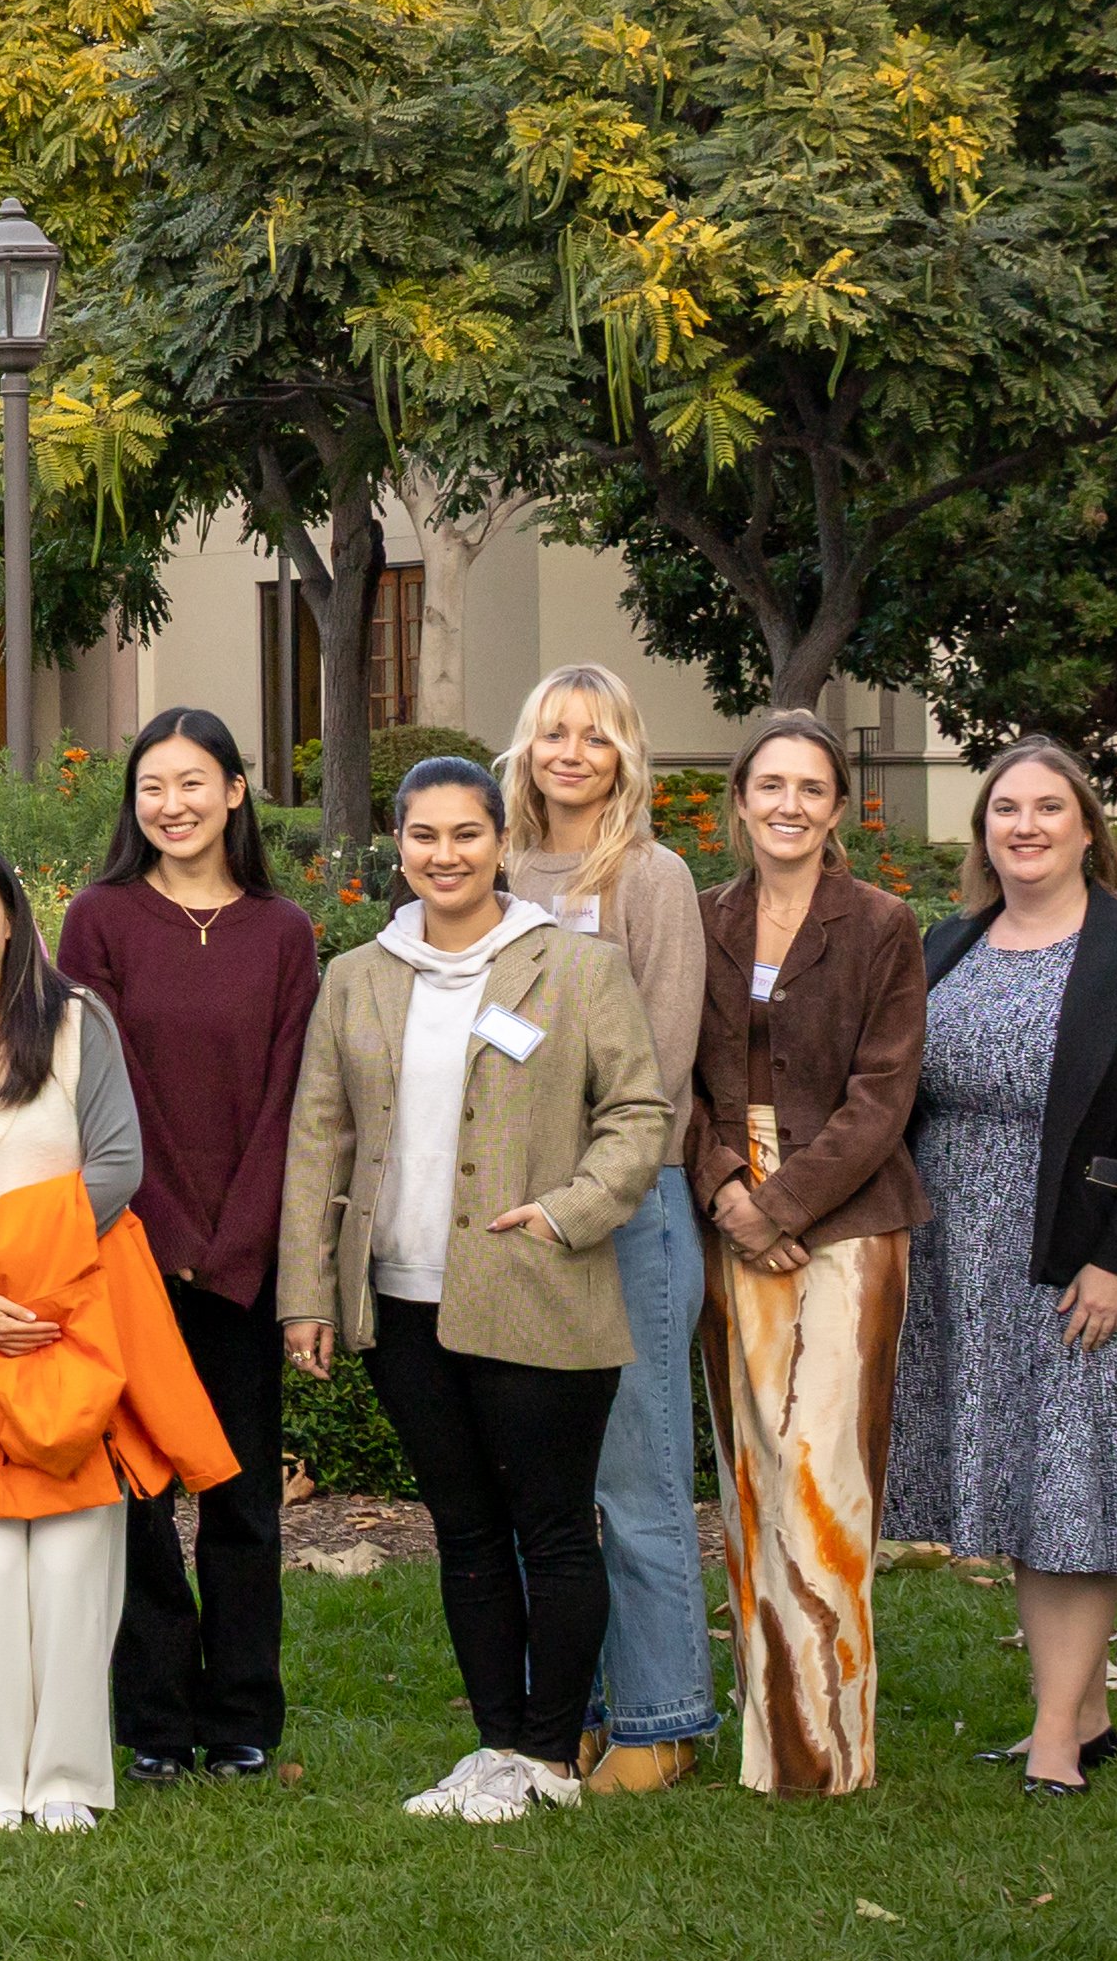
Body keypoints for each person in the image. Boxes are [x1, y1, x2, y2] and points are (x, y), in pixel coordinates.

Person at [275, 755, 676, 1822]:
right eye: (422, 836)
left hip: (538, 1285)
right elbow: (319, 1137)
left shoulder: (574, 966)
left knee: (551, 1526)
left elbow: (639, 1115)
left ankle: (550, 1754)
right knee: (463, 1529)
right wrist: (307, 1292)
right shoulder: (356, 974)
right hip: (403, 1300)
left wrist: (568, 1211)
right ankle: (496, 1743)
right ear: (394, 847)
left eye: (465, 834)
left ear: (501, 842)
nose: (443, 855)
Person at [0, 834, 235, 1830]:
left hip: (79, 1316)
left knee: (76, 1560)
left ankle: (67, 1784)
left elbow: (117, 1163)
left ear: (11, 915)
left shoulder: (77, 1024)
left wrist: (24, 1275)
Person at [895, 737, 1117, 1800]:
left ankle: (1051, 1739)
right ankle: (1085, 1711)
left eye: (1047, 807)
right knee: (1033, 1491)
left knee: (1075, 1491)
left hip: (1078, 1265)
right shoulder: (950, 942)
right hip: (964, 1259)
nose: (1024, 826)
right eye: (1005, 809)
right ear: (983, 830)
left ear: (1088, 827)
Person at [54, 707, 313, 1781]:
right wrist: (161, 1232)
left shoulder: (284, 931)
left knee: (245, 1500)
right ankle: (154, 1720)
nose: (173, 804)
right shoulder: (99, 920)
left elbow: (293, 1099)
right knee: (139, 1496)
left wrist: (237, 1239)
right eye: (153, 786)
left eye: (194, 782)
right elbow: (97, 1092)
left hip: (245, 1259)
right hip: (130, 1248)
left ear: (237, 791)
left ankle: (242, 1710)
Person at [692, 711, 929, 1795]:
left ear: (838, 807)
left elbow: (884, 1097)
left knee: (822, 1470)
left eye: (812, 787)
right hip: (727, 1210)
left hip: (847, 1219)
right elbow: (669, 1080)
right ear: (739, 798)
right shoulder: (700, 920)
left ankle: (830, 1747)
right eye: (769, 784)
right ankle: (770, 1733)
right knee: (751, 1473)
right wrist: (727, 1191)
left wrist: (781, 1204)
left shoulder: (883, 925)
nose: (789, 804)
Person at [504, 661, 721, 1794]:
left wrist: (590, 1191)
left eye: (594, 734)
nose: (571, 751)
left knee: (636, 1485)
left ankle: (664, 1716)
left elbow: (668, 1060)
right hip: (514, 1225)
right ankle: (579, 1708)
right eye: (553, 732)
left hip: (630, 1217)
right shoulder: (492, 868)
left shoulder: (651, 875)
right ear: (527, 748)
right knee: (554, 1493)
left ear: (626, 752)